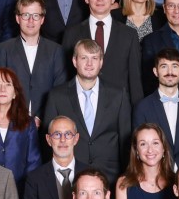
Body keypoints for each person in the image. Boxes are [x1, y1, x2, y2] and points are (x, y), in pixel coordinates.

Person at [40, 38, 135, 182]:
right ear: (74, 61)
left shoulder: (118, 95)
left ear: (101, 62)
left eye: (94, 58)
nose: (89, 64)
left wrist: (126, 176)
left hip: (110, 177)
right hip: (69, 177)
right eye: (84, 58)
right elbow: (48, 141)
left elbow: (126, 140)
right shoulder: (56, 96)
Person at [60, 0, 145, 97]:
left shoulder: (129, 34)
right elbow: (65, 75)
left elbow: (135, 79)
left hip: (119, 104)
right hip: (80, 102)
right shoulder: (71, 33)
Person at [133, 47, 179, 166]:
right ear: (155, 71)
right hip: (155, 172)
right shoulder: (142, 108)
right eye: (164, 66)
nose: (170, 72)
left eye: (174, 66)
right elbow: (138, 147)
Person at [0, 0, 67, 117]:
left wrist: (41, 118)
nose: (31, 20)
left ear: (42, 19)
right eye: (26, 15)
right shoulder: (4, 49)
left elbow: (59, 90)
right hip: (12, 119)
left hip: (46, 121)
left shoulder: (56, 50)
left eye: (36, 16)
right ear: (17, 18)